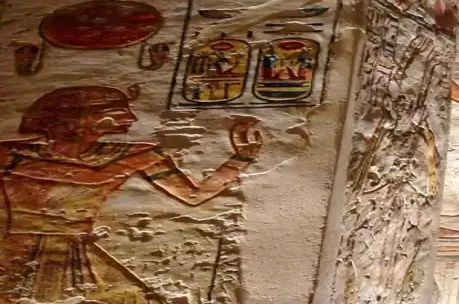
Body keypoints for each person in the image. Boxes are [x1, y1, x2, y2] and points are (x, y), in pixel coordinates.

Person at [0, 85, 262, 303]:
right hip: (16, 251)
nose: (132, 119)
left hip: (77, 248)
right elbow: (87, 176)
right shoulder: (12, 154)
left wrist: (240, 159)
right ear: (80, 118)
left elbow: (194, 196)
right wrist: (131, 163)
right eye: (118, 112)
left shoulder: (132, 154)